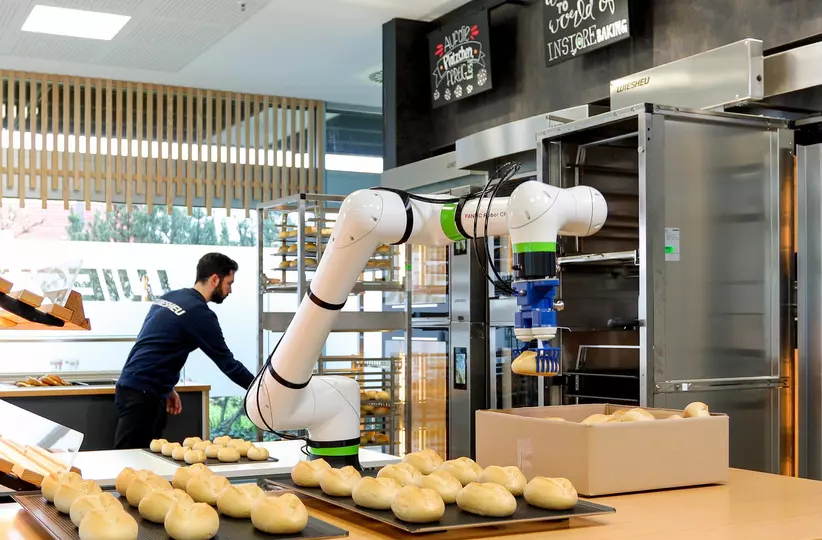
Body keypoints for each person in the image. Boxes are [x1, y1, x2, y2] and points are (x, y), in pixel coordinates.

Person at [113, 252, 255, 449]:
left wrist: (167, 387)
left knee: (142, 459)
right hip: (144, 396)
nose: (230, 290)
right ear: (215, 279)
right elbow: (229, 365)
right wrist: (260, 390)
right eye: (229, 283)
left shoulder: (170, 297)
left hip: (131, 386)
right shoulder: (200, 314)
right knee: (129, 460)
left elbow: (154, 343)